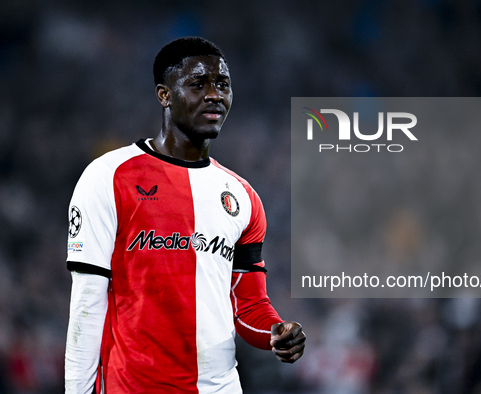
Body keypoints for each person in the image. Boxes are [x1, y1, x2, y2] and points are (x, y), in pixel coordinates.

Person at [65, 36, 305, 393]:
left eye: (222, 84)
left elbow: (249, 305)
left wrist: (276, 331)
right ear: (164, 95)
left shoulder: (243, 197)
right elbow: (87, 302)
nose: (214, 94)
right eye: (198, 84)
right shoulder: (108, 176)